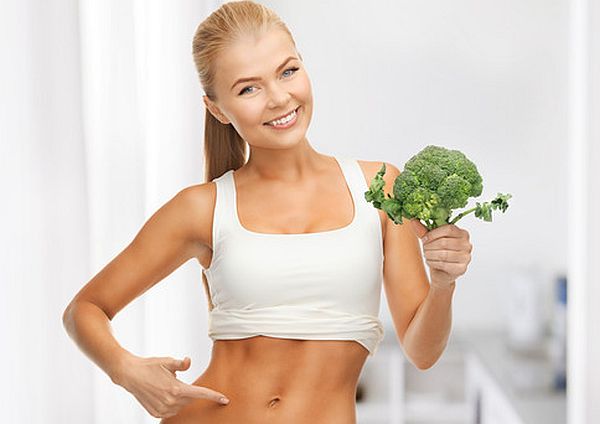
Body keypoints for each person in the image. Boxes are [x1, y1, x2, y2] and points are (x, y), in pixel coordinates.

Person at [62, 1, 473, 422]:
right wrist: (127, 371)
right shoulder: (202, 208)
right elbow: (85, 309)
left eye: (288, 71)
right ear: (218, 109)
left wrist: (443, 285)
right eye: (248, 88)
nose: (279, 98)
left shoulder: (380, 188)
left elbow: (422, 352)